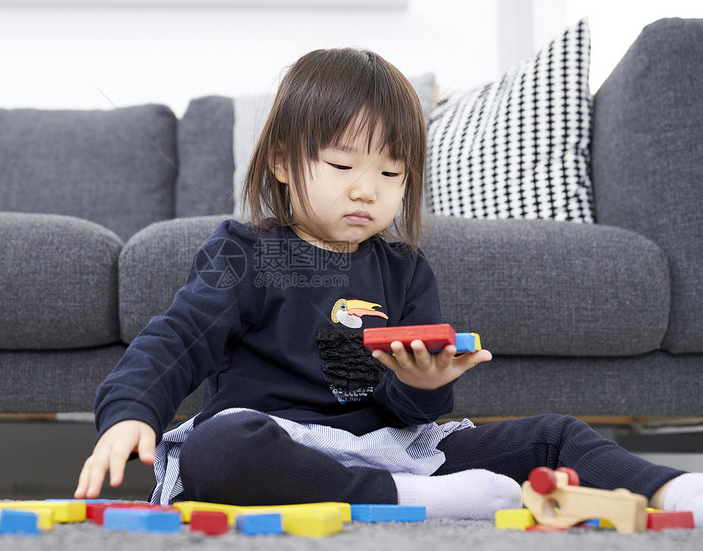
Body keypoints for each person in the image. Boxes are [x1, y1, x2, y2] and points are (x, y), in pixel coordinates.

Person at [75, 48, 702, 525]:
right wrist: (130, 412)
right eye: (343, 165)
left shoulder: (404, 270)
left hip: (390, 444)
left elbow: (410, 411)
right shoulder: (243, 254)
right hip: (282, 443)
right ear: (282, 162)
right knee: (220, 448)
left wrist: (421, 387)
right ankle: (408, 503)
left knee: (554, 433)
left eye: (390, 171)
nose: (365, 189)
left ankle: (673, 490)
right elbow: (178, 339)